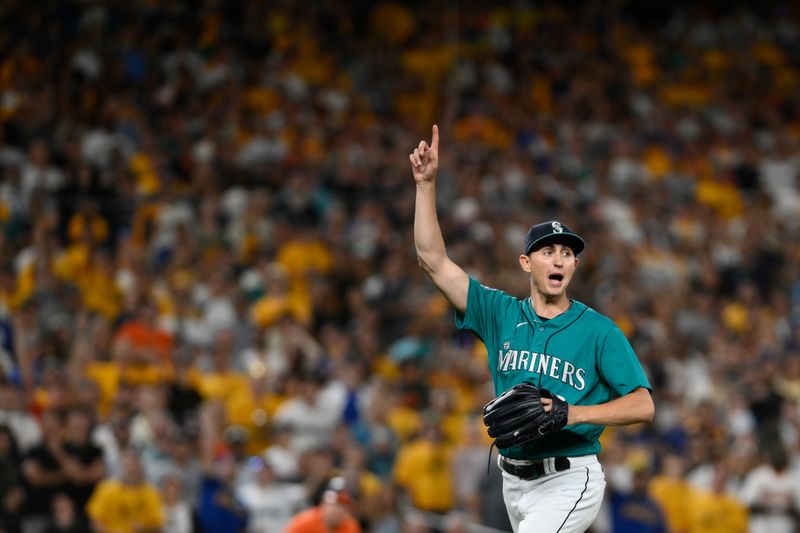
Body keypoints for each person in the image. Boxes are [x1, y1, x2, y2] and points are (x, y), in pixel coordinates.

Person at [409, 125, 655, 533]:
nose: (558, 259)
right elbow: (432, 260)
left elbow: (643, 406)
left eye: (567, 253)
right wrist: (425, 186)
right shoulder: (499, 312)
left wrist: (572, 413)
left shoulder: (599, 331)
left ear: (574, 265)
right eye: (547, 252)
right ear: (527, 263)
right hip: (512, 479)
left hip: (570, 476)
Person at [284, 476, 361, 533]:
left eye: (344, 506)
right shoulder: (303, 523)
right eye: (335, 504)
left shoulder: (350, 526)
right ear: (323, 502)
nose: (339, 510)